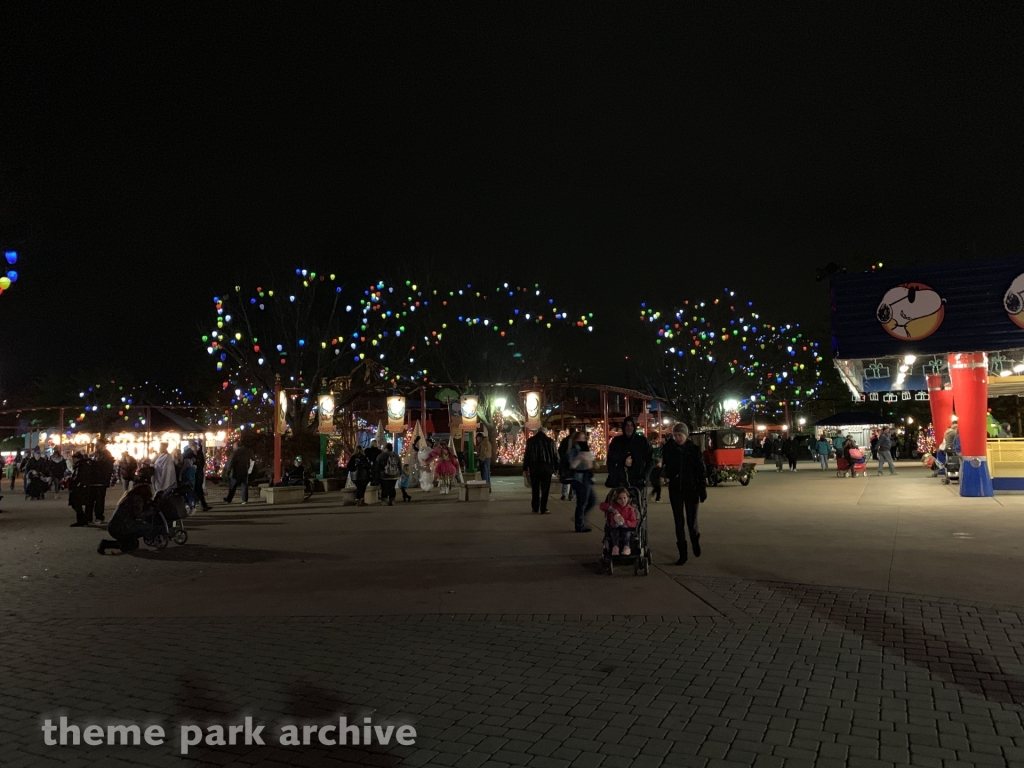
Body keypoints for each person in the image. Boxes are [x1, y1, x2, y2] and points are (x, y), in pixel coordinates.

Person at [661, 423, 707, 565]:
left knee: (691, 521)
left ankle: (695, 539)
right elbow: (665, 466)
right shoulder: (669, 448)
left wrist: (702, 489)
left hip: (691, 489)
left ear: (686, 435)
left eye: (679, 435)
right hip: (675, 489)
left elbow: (700, 470)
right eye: (675, 435)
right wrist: (667, 474)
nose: (677, 438)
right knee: (678, 521)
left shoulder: (694, 450)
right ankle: (683, 553)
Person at [97, 484, 159, 554]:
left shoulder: (130, 497)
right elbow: (139, 515)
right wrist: (151, 510)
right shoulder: (137, 500)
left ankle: (123, 543)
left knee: (133, 545)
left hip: (115, 525)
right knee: (148, 527)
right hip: (121, 526)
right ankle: (125, 542)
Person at [605, 416, 652, 489]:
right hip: (620, 480)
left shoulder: (642, 441)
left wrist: (644, 476)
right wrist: (613, 474)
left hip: (638, 479)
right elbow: (611, 460)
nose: (629, 428)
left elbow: (650, 460)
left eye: (631, 425)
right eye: (627, 425)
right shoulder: (617, 441)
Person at [524, 426, 558, 514]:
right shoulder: (550, 442)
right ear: (545, 432)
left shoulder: (531, 441)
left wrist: (525, 468)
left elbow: (527, 455)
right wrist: (556, 467)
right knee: (545, 489)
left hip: (534, 467)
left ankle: (535, 507)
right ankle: (543, 508)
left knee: (535, 488)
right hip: (547, 468)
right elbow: (555, 455)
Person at [568, 430, 597, 532]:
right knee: (582, 502)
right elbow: (572, 465)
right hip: (580, 478)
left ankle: (579, 519)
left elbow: (590, 463)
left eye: (584, 438)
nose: (583, 440)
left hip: (587, 476)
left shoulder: (585, 449)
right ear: (575, 439)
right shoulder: (574, 450)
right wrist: (581, 459)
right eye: (581, 438)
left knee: (592, 500)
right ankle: (579, 525)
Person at [600, 487, 638, 556]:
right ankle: (615, 547)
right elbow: (602, 506)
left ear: (628, 498)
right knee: (614, 534)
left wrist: (625, 522)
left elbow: (634, 522)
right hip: (615, 527)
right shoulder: (614, 507)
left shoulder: (630, 509)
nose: (623, 500)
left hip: (626, 528)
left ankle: (627, 546)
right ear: (616, 500)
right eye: (619, 498)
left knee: (627, 534)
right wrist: (611, 509)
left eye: (624, 498)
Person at [68, 452, 98, 527]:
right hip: (82, 486)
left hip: (80, 487)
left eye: (74, 458)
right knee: (78, 504)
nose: (73, 460)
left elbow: (79, 477)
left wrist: (75, 484)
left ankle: (82, 520)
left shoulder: (81, 465)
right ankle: (84, 519)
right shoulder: (83, 465)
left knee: (77, 503)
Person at [91, 439, 115, 523]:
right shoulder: (97, 454)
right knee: (94, 499)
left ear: (102, 444)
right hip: (95, 480)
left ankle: (99, 516)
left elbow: (106, 468)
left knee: (99, 499)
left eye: (98, 444)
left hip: (101, 480)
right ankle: (95, 516)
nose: (96, 446)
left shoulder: (106, 455)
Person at [183, 441, 211, 511]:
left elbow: (202, 462)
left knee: (198, 489)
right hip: (192, 475)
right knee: (196, 490)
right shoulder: (188, 454)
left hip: (198, 474)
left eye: (196, 446)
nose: (195, 448)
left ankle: (200, 504)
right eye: (194, 446)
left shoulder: (199, 453)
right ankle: (199, 504)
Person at [557, 433, 575, 501]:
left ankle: (564, 493)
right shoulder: (575, 442)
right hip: (572, 463)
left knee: (565, 478)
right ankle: (571, 494)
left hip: (564, 462)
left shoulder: (564, 441)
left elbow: (560, 451)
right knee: (573, 479)